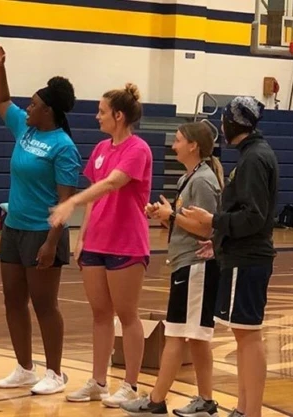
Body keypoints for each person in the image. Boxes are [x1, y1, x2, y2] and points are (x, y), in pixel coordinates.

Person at [49, 83, 153, 408]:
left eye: (102, 111)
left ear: (118, 116)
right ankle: (98, 381)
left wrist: (70, 204)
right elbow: (97, 193)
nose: (97, 117)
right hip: (97, 242)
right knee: (99, 314)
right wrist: (83, 236)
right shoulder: (100, 149)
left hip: (127, 242)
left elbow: (110, 184)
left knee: (127, 314)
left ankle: (131, 385)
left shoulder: (138, 149)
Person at [0, 40, 81, 394]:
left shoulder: (63, 147)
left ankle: (55, 373)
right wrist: (0, 65)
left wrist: (51, 243)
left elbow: (65, 203)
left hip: (44, 234)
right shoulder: (24, 129)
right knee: (13, 300)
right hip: (13, 230)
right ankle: (25, 368)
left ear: (49, 112)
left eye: (34, 104)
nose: (27, 107)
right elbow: (0, 101)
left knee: (45, 305)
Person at [182, 96, 279, 417]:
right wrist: (220, 240)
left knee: (248, 336)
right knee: (245, 336)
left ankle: (251, 412)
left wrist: (213, 223)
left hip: (248, 258)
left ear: (233, 123)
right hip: (242, 254)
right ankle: (244, 408)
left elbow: (253, 216)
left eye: (224, 119)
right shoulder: (254, 154)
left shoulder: (253, 159)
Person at [121, 122, 223, 416]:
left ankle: (155, 400)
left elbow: (205, 227)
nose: (173, 145)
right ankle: (205, 399)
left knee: (177, 335)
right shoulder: (189, 178)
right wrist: (164, 216)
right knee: (198, 336)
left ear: (193, 146)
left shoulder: (202, 181)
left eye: (178, 140)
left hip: (197, 266)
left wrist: (173, 214)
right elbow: (185, 223)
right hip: (187, 265)